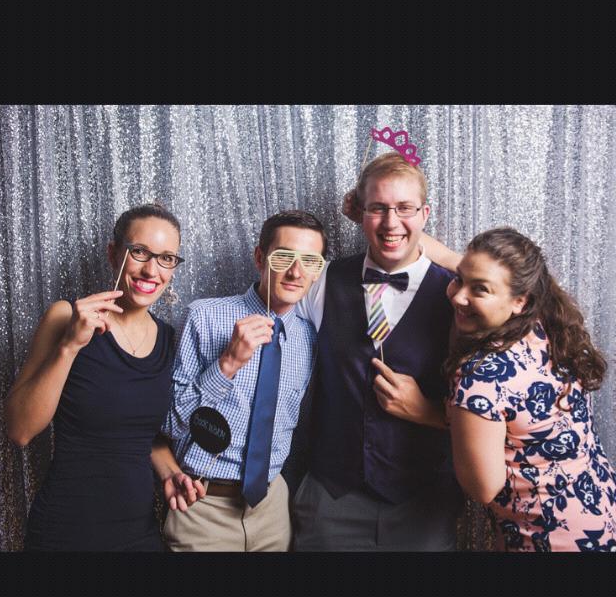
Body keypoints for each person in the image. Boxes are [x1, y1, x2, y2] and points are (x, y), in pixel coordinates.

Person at [291, 152, 463, 552]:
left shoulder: (459, 294)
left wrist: (428, 411)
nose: (391, 222)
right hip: (331, 499)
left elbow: (500, 400)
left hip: (423, 503)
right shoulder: (322, 278)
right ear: (360, 213)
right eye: (378, 208)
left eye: (404, 208)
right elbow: (271, 327)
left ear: (425, 214)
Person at [6, 203, 203, 552]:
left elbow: (143, 435)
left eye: (166, 258)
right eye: (139, 251)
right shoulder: (66, 316)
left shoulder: (169, 339)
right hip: (65, 532)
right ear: (114, 253)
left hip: (140, 532)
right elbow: (20, 430)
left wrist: (171, 472)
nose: (151, 270)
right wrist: (70, 345)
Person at [161, 210, 326, 553]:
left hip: (272, 507)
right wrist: (228, 363)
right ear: (260, 258)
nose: (296, 272)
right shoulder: (204, 317)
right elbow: (170, 424)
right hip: (202, 505)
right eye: (284, 257)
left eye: (310, 261)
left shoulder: (308, 337)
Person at [445, 227, 616, 552]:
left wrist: (428, 412)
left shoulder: (480, 375)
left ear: (519, 301)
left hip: (552, 538)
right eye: (458, 279)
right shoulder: (547, 327)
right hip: (603, 515)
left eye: (479, 289)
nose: (458, 296)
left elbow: (483, 487)